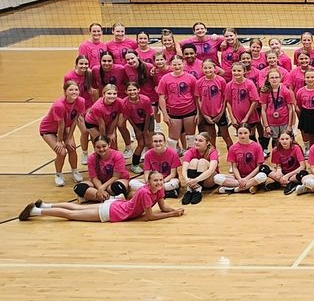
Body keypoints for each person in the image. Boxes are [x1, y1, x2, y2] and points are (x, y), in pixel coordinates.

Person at [20, 170, 183, 223]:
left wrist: (174, 210)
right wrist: (172, 215)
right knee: (73, 214)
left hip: (116, 205)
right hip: (113, 213)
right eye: (156, 180)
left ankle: (46, 205)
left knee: (77, 208)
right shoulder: (146, 192)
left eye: (161, 180)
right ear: (148, 181)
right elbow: (149, 216)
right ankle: (36, 211)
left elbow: (162, 207)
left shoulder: (158, 190)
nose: (159, 183)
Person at [40, 82, 87, 186]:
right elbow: (60, 124)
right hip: (49, 129)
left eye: (76, 89)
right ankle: (58, 174)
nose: (74, 92)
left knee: (72, 147)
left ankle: (75, 171)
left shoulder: (81, 101)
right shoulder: (59, 105)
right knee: (61, 152)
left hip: (66, 126)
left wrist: (69, 138)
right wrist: (59, 141)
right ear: (65, 91)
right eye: (71, 90)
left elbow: (75, 120)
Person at [181, 134, 220, 204]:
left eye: (200, 141)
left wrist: (196, 180)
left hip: (209, 180)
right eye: (196, 140)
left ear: (207, 143)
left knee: (202, 161)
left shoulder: (213, 151)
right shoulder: (191, 151)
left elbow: (211, 170)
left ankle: (197, 191)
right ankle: (190, 190)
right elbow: (184, 168)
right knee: (194, 161)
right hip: (194, 181)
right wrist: (187, 179)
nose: (196, 142)